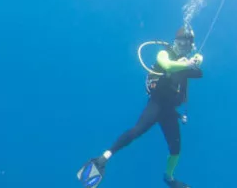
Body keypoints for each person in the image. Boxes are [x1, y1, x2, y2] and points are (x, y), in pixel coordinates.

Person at [78, 26, 204, 188]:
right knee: (136, 130)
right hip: (157, 103)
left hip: (169, 111)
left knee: (176, 149)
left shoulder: (186, 64)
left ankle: (169, 178)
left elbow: (199, 71)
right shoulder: (164, 53)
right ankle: (102, 159)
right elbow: (167, 65)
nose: (183, 48)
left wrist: (197, 59)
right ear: (175, 42)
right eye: (181, 43)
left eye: (187, 45)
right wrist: (187, 64)